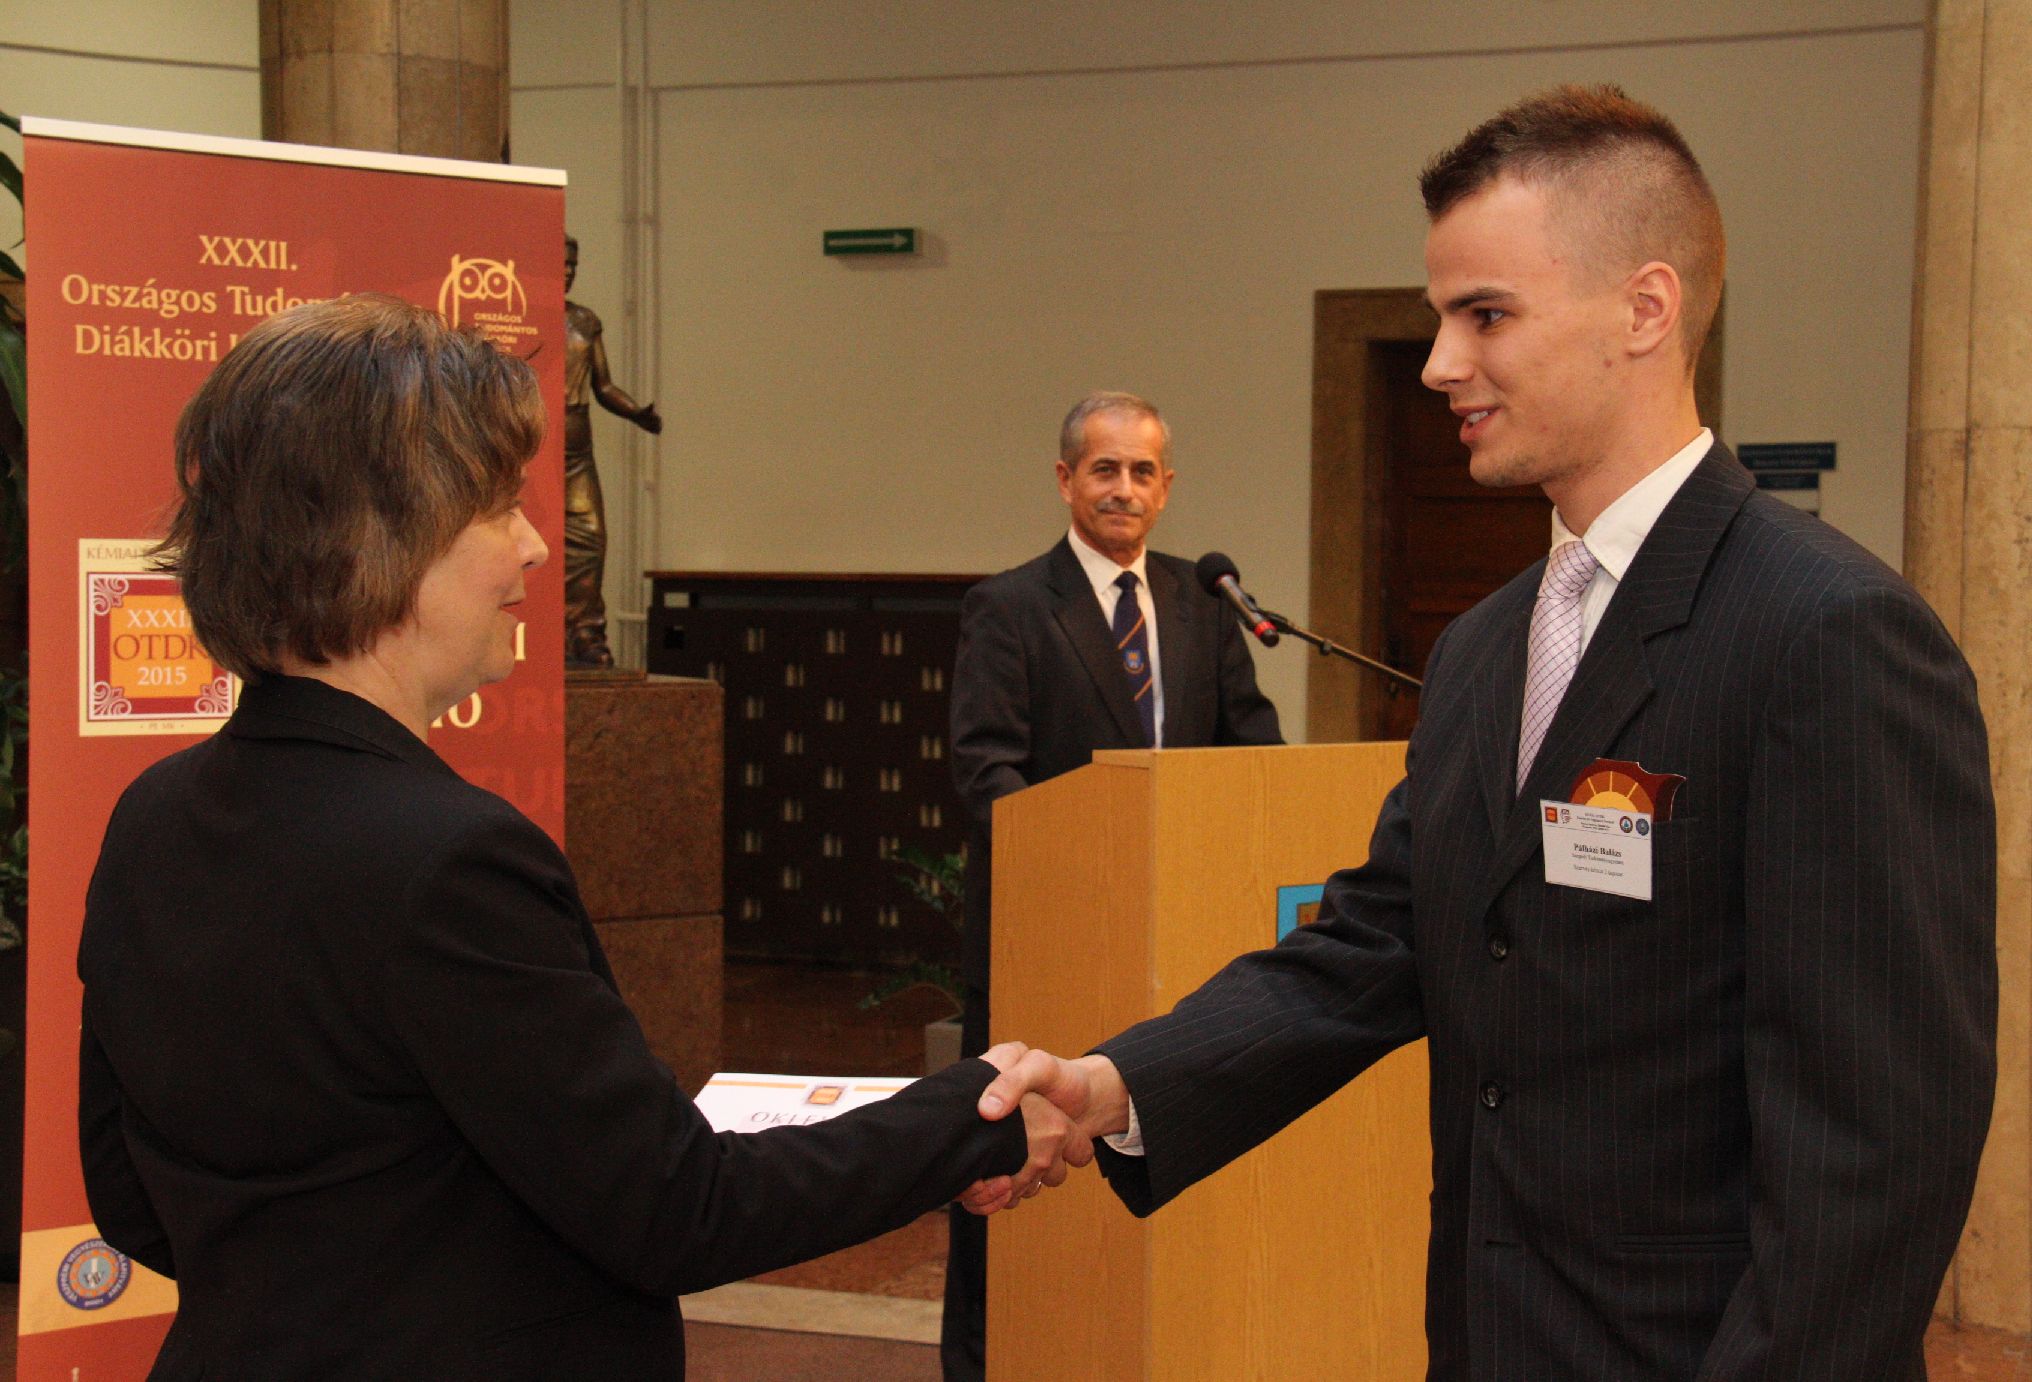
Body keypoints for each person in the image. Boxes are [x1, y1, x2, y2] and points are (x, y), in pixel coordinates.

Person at [970, 86, 1997, 1380]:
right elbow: (1380, 939)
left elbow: (1878, 1146)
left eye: (1486, 315)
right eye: (1438, 317)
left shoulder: (1828, 633)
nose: (1440, 363)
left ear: (1643, 309)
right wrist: (1116, 1083)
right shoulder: (1482, 647)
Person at [76, 295, 1086, 1381]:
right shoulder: (448, 858)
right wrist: (971, 1113)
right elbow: (678, 1209)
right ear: (379, 541)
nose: (536, 544)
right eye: (498, 507)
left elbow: (133, 1200)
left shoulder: (154, 812)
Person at [942, 390, 1282, 1379]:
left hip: (1183, 936)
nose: (1123, 488)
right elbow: (986, 770)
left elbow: (1252, 752)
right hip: (1049, 934)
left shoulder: (1202, 604)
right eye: (1104, 469)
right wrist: (1083, 867)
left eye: (1142, 471)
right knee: (1004, 1174)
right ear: (1065, 480)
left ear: (1166, 486)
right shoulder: (1009, 606)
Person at [562, 234, 660, 668]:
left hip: (577, 449)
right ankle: (543, 634)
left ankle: (586, 633)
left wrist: (636, 412)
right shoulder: (522, 316)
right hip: (534, 446)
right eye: (561, 263)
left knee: (591, 540)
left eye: (574, 265)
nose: (568, 271)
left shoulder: (585, 321)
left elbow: (603, 385)